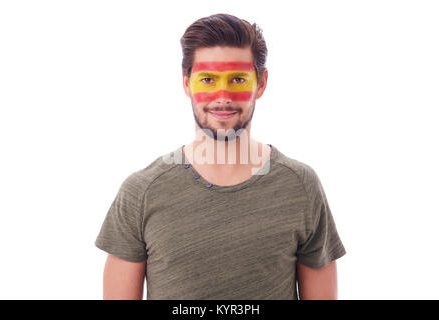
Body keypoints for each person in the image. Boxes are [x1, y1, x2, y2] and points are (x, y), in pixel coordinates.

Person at [94, 13, 346, 300]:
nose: (223, 95)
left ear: (260, 84)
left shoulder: (300, 185)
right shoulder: (141, 192)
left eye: (238, 79)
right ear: (186, 83)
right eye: (208, 79)